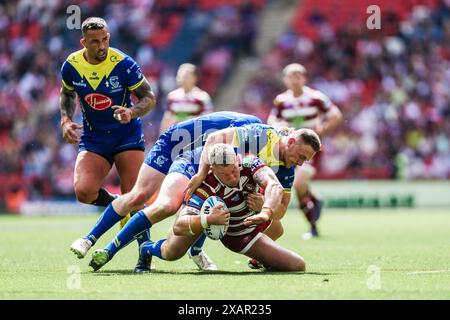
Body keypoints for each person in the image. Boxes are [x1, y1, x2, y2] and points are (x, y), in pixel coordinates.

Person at [70, 111, 262, 272]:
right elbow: (214, 142)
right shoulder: (252, 128)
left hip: (199, 155)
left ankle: (191, 250)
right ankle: (90, 239)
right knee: (144, 197)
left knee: (216, 197)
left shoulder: (256, 146)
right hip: (176, 143)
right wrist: (202, 174)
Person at [107, 144, 306, 272]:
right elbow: (179, 226)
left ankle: (261, 259)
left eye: (234, 170)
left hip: (247, 228)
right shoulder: (205, 187)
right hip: (226, 229)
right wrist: (207, 220)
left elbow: (274, 185)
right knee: (172, 253)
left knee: (295, 260)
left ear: (237, 161)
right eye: (226, 174)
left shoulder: (249, 162)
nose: (233, 177)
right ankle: (147, 248)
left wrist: (265, 210)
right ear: (212, 170)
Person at [61, 17, 156, 269]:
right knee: (84, 192)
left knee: (135, 196)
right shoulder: (71, 65)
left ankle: (144, 259)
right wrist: (65, 120)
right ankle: (119, 205)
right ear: (84, 42)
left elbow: (149, 97)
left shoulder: (123, 63)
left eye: (105, 39)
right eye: (95, 42)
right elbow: (67, 93)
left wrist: (132, 112)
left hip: (127, 135)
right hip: (94, 137)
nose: (101, 46)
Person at [268, 63, 343, 240]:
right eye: (291, 76)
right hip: (289, 150)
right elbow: (271, 120)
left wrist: (322, 130)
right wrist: (279, 126)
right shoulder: (281, 101)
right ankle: (314, 207)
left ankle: (313, 226)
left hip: (309, 151)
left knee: (299, 184)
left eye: (298, 75)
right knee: (299, 187)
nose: (295, 79)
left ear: (305, 78)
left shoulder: (316, 98)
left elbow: (336, 115)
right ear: (285, 80)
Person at [159, 63, 214, 133]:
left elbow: (208, 119)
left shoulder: (202, 97)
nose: (182, 79)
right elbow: (167, 118)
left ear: (194, 78)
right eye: (180, 76)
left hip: (195, 136)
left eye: (186, 76)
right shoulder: (172, 96)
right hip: (177, 137)